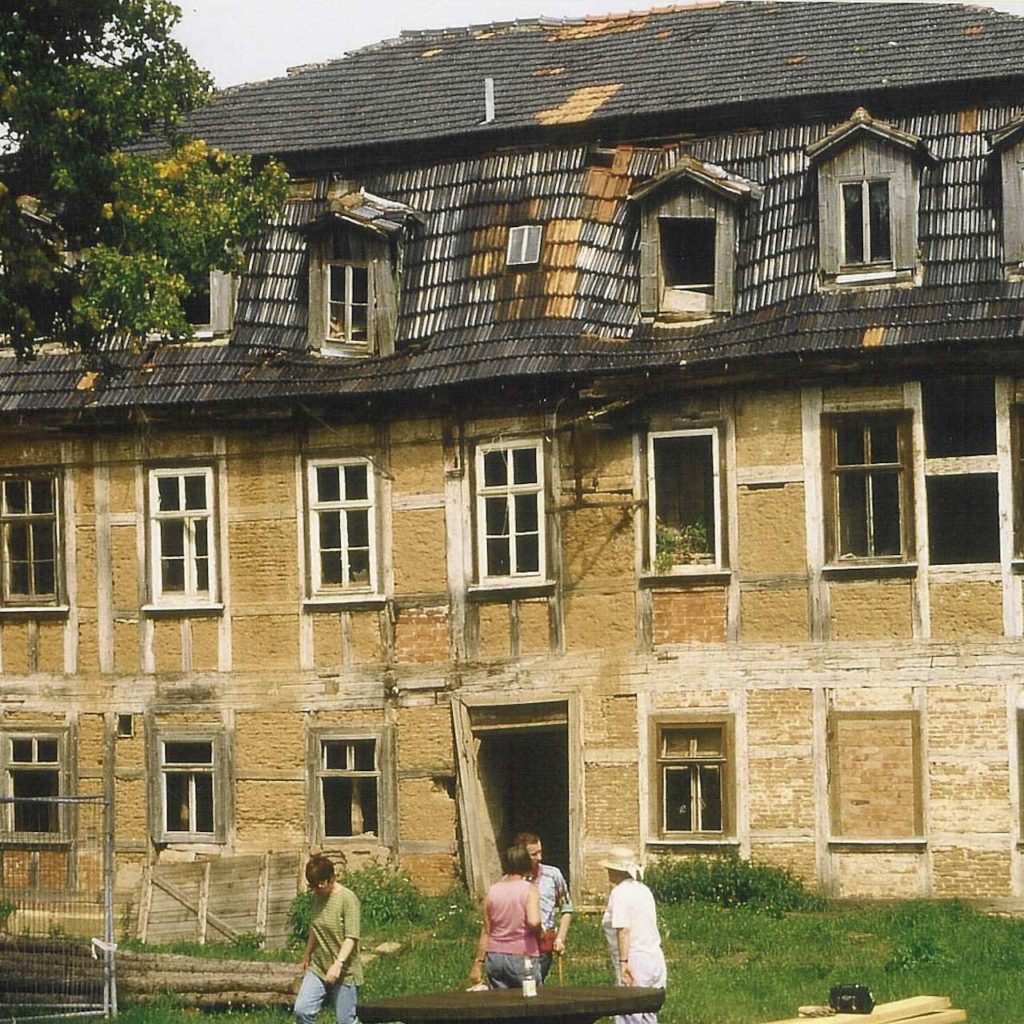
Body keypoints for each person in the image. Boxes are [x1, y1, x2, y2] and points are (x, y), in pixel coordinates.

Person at [600, 846, 666, 1024]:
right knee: (648, 1014)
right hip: (653, 956)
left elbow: (624, 929)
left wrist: (623, 963)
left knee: (629, 1014)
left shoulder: (620, 893)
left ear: (614, 871)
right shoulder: (643, 890)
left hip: (634, 958)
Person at [294, 853, 362, 1024]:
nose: (316, 890)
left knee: (345, 1021)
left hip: (344, 970)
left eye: (320, 885)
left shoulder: (347, 899)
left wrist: (338, 964)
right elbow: (316, 928)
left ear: (332, 878)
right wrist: (307, 954)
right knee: (302, 1010)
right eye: (312, 886)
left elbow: (351, 937)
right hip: (319, 966)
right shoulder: (317, 897)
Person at [468, 842, 543, 990]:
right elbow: (534, 922)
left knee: (502, 1004)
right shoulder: (529, 889)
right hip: (522, 955)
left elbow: (487, 931)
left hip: (495, 957)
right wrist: (541, 933)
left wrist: (478, 963)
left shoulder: (492, 891)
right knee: (532, 1002)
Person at [514, 831, 573, 981]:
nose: (539, 858)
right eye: (534, 854)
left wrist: (560, 938)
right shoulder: (512, 879)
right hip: (517, 944)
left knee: (535, 987)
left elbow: (566, 908)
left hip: (543, 943)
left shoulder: (553, 875)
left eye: (540, 852)